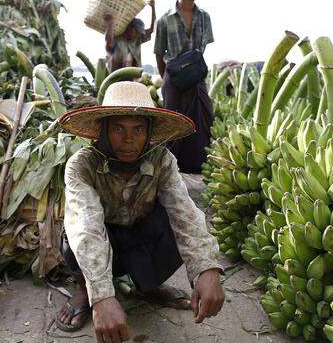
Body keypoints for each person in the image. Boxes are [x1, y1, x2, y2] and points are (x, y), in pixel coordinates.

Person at [55, 81, 225, 342]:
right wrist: (102, 296)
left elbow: (184, 211)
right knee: (72, 233)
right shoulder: (82, 165)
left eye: (138, 129)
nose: (128, 139)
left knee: (171, 222)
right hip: (103, 239)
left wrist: (207, 267)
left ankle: (148, 286)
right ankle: (83, 290)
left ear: (149, 133)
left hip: (140, 235)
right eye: (118, 129)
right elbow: (87, 226)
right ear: (103, 130)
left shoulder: (162, 160)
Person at [154, 0, 214, 173]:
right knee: (173, 126)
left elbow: (201, 51)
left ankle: (198, 167)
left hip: (196, 78)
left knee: (204, 121)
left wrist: (191, 73)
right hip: (174, 80)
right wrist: (169, 81)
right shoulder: (165, 20)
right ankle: (171, 172)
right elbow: (159, 54)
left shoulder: (204, 17)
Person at [104, 0, 156, 72]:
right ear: (129, 27)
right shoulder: (117, 37)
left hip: (132, 76)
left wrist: (153, 8)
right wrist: (111, 24)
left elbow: (151, 29)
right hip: (115, 76)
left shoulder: (137, 39)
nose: (138, 35)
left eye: (139, 33)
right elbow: (108, 47)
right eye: (136, 31)